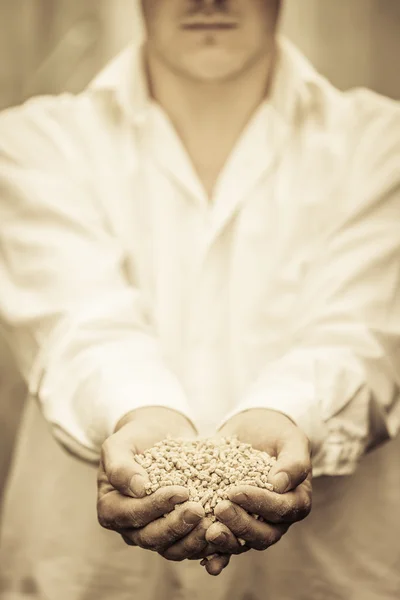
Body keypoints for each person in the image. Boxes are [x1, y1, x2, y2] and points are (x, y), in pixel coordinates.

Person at [0, 0, 399, 598]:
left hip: (324, 578)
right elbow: (77, 320)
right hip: (87, 579)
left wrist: (287, 415)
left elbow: (364, 332)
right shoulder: (35, 142)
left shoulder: (383, 143)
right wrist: (139, 415)